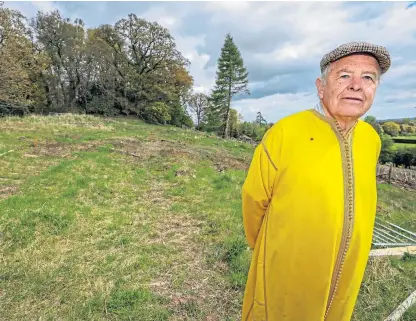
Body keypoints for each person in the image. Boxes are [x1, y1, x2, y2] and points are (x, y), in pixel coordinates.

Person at [241, 42, 391, 321]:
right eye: (344, 76)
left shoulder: (371, 139)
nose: (357, 85)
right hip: (288, 270)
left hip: (349, 272)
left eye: (368, 77)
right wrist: (272, 251)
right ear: (321, 87)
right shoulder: (285, 132)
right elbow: (253, 202)